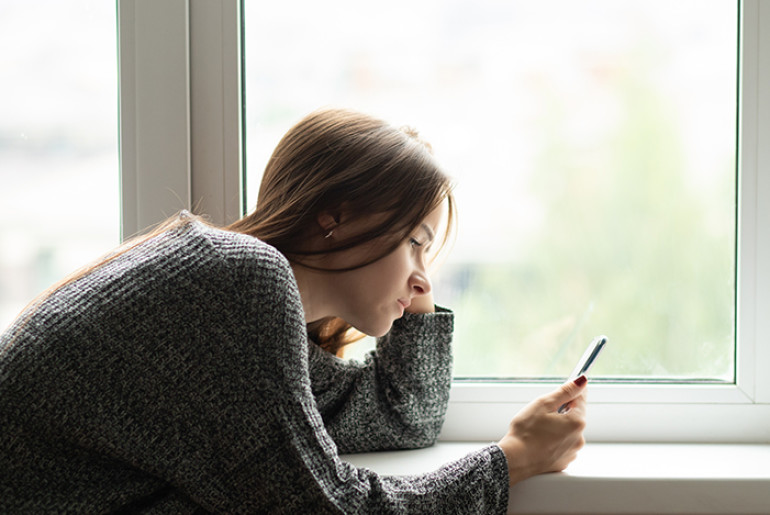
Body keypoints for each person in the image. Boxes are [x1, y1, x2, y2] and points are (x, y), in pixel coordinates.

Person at [0, 108, 586, 513]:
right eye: (415, 240)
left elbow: (397, 420)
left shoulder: (246, 299)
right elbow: (324, 508)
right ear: (336, 217)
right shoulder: (237, 281)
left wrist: (414, 308)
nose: (422, 273)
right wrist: (510, 462)